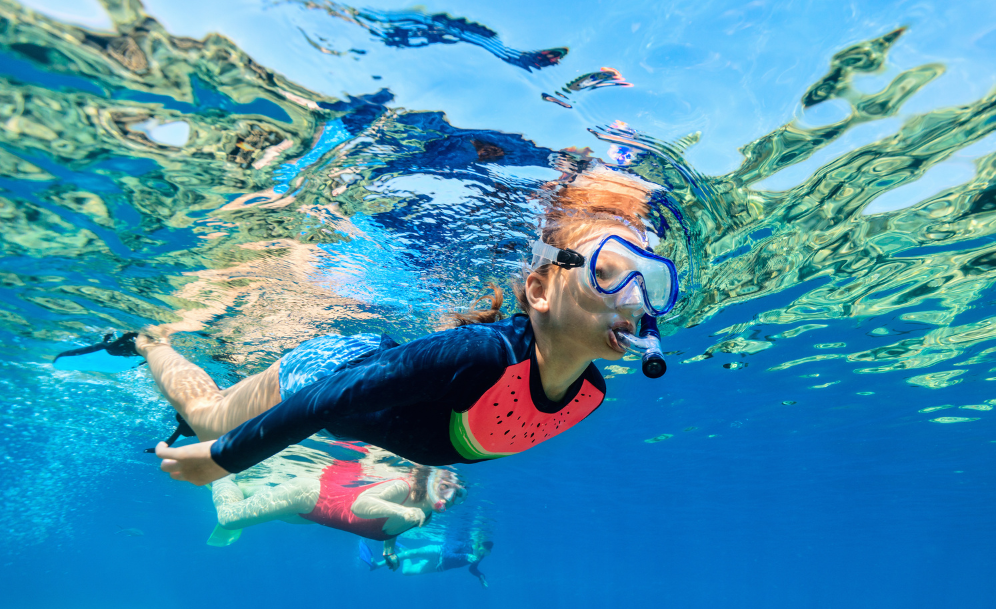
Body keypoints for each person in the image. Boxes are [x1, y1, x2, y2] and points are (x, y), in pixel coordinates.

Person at [136, 159, 679, 485]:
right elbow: (332, 398)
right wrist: (225, 460)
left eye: (648, 283)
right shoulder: (481, 354)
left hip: (369, 390)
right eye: (608, 272)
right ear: (539, 289)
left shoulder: (590, 394)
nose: (634, 300)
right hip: (325, 372)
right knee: (209, 418)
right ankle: (151, 341)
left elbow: (443, 423)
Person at [207, 445, 463, 547]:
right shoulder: (403, 488)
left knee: (262, 500)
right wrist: (403, 511)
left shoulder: (425, 515)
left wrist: (389, 551)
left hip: (313, 516)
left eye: (458, 494)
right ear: (430, 480)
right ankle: (222, 476)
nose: (451, 497)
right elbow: (361, 506)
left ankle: (246, 487)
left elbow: (396, 528)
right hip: (308, 495)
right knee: (229, 518)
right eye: (446, 488)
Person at [360, 528, 493, 588]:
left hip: (440, 566)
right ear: (477, 544)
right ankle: (377, 564)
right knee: (414, 553)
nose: (481, 555)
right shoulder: (465, 543)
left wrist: (480, 576)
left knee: (407, 571)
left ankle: (405, 550)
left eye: (485, 554)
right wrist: (464, 555)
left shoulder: (478, 556)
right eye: (481, 551)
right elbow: (448, 554)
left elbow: (472, 569)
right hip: (439, 552)